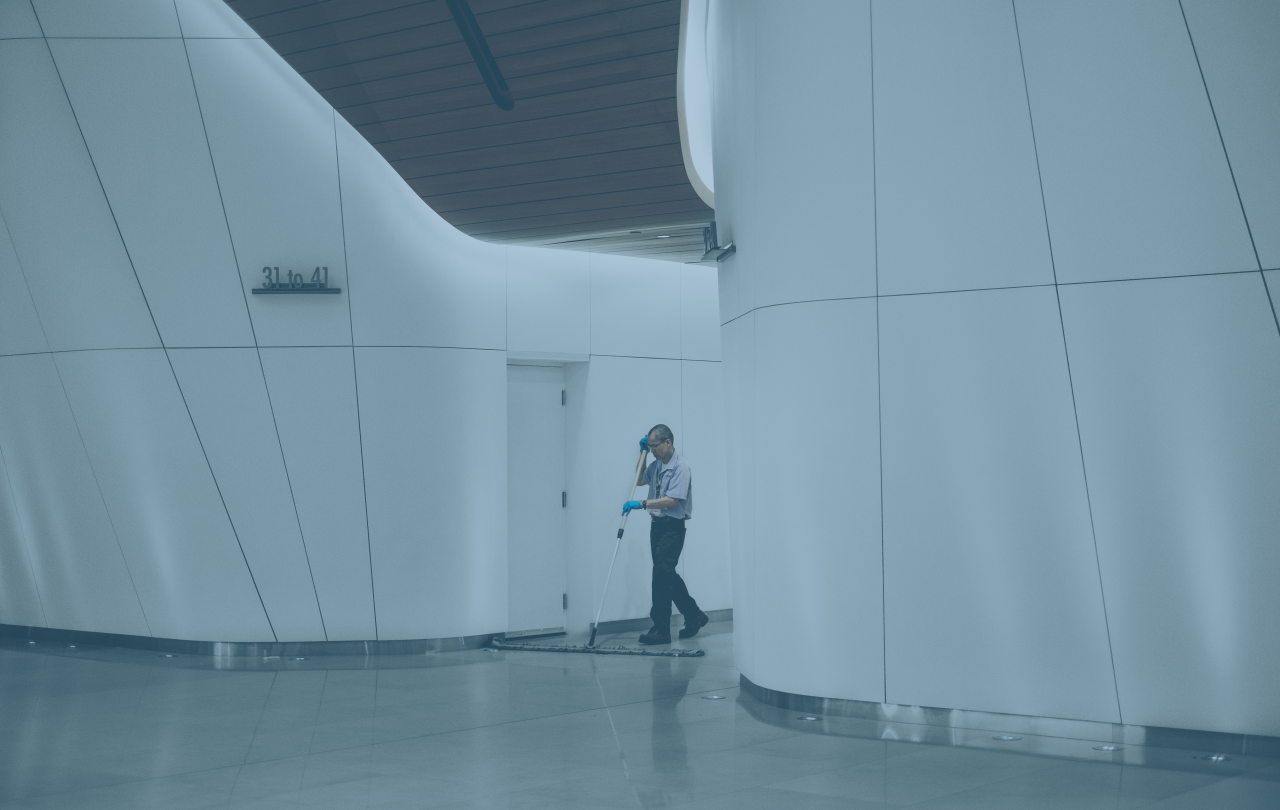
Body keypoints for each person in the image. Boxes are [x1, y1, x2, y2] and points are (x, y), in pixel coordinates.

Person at [623, 425, 709, 645]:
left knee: (661, 575)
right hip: (657, 526)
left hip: (673, 527)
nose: (652, 450)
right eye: (649, 446)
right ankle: (694, 615)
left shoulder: (681, 467)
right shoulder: (656, 465)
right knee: (667, 575)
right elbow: (640, 479)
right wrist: (641, 454)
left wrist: (641, 503)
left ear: (667, 442)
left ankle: (661, 629)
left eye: (654, 446)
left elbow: (672, 500)